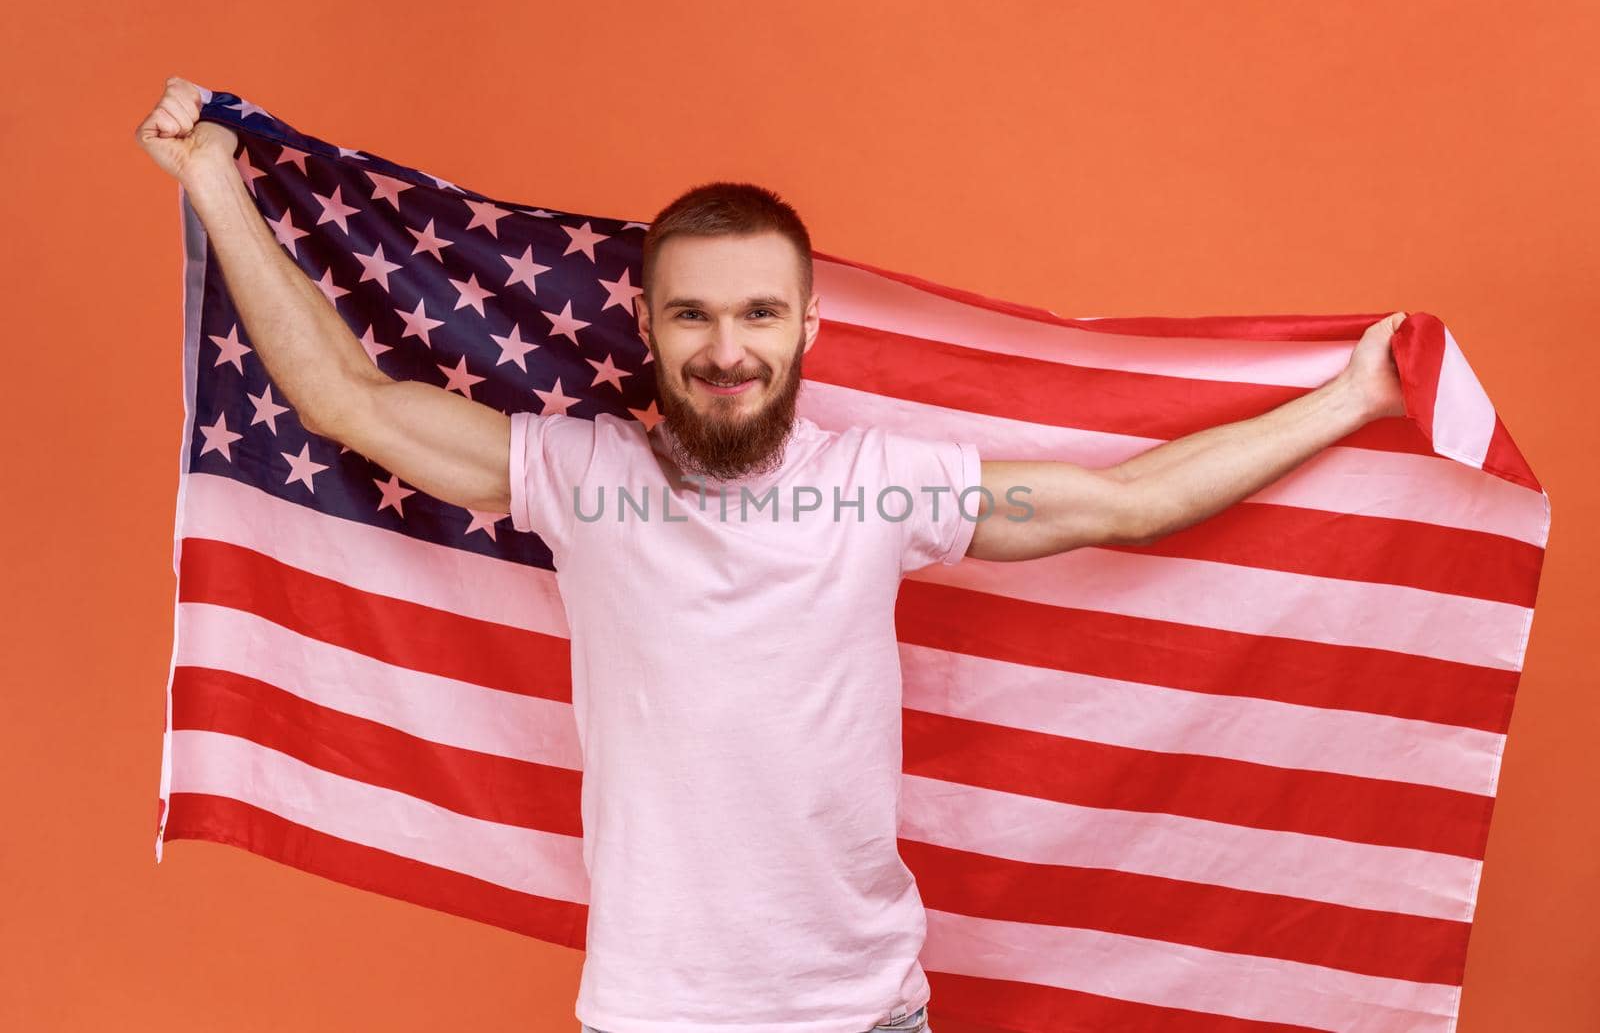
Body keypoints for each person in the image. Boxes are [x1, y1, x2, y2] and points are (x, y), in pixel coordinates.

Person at [136, 76, 1408, 1033]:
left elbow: (1129, 501)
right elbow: (349, 403)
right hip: (650, 1013)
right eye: (692, 312)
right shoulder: (581, 474)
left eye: (757, 311)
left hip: (862, 1012)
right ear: (650, 320)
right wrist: (213, 185)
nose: (725, 346)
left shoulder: (880, 485)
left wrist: (1347, 401)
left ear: (808, 324)